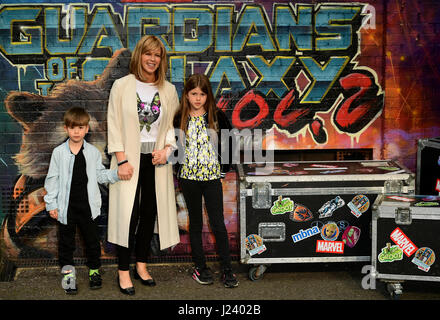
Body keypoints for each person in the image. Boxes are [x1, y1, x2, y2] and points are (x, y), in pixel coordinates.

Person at [107, 35, 180, 295]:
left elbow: (171, 127)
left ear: (162, 60)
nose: (152, 59)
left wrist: (167, 150)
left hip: (155, 160)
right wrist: (121, 159)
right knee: (128, 214)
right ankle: (123, 271)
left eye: (157, 55)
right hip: (129, 160)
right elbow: (113, 124)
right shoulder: (122, 86)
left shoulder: (168, 90)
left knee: (150, 212)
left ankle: (141, 264)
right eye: (148, 53)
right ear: (139, 55)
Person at [44, 107, 119, 294]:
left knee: (92, 242)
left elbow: (100, 175)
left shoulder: (93, 152)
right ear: (66, 129)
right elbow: (52, 179)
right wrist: (51, 204)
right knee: (66, 244)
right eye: (72, 127)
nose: (76, 131)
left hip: (88, 207)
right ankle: (69, 275)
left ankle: (94, 271)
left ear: (87, 129)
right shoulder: (59, 153)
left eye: (80, 127)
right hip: (66, 207)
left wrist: (117, 174)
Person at [173, 74, 238, 288]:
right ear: (187, 95)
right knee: (196, 223)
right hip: (189, 179)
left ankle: (227, 270)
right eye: (194, 94)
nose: (198, 98)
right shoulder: (180, 117)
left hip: (211, 178)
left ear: (208, 95)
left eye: (202, 94)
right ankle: (200, 267)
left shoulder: (217, 116)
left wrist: (222, 171)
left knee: (217, 223)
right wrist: (178, 168)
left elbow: (229, 144)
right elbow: (173, 145)